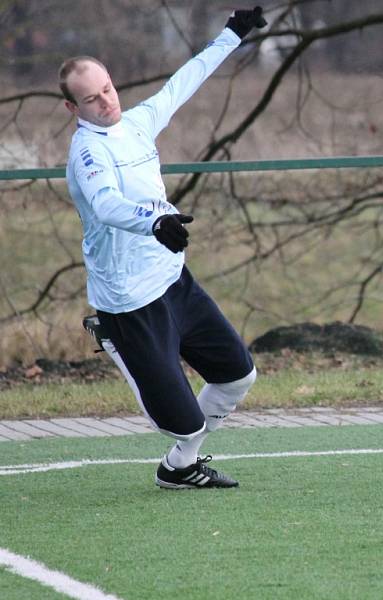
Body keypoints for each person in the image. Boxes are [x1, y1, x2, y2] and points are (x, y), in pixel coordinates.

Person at [60, 7, 268, 489]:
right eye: (90, 99)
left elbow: (182, 82)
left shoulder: (134, 123)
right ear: (72, 108)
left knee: (238, 378)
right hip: (130, 304)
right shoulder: (88, 153)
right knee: (182, 423)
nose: (105, 103)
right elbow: (108, 204)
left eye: (107, 90)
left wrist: (231, 35)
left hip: (175, 281)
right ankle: (109, 337)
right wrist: (155, 220)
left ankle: (178, 468)